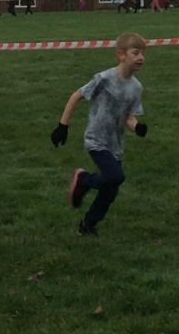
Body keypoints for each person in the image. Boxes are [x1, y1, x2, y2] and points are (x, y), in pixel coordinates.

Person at [51, 31, 147, 237]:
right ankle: (83, 179)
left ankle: (87, 225)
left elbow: (128, 116)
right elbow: (77, 95)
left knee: (110, 190)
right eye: (136, 53)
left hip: (115, 144)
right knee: (115, 176)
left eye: (143, 53)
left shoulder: (136, 87)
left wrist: (137, 127)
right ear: (121, 55)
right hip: (96, 139)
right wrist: (62, 126)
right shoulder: (104, 78)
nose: (141, 57)